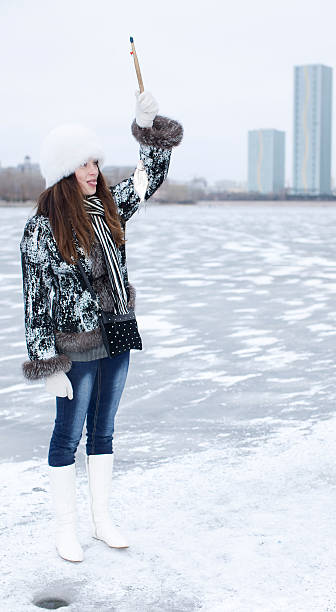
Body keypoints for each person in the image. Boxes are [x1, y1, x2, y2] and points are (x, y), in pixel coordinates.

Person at [19, 91, 183, 562]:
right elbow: (35, 299)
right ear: (62, 172)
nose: (93, 170)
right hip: (75, 344)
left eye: (95, 162)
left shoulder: (109, 209)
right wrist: (47, 360)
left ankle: (101, 519)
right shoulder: (43, 228)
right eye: (83, 164)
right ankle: (64, 528)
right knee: (68, 435)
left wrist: (146, 126)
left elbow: (149, 176)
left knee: (104, 430)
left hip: (117, 332)